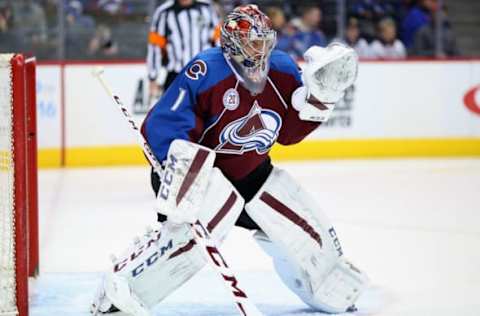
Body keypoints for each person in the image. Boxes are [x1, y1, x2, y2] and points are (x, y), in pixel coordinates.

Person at [91, 5, 372, 315]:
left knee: (299, 224)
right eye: (253, 41)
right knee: (189, 241)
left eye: (265, 40)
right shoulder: (206, 71)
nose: (261, 49)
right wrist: (184, 169)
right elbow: (162, 126)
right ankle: (121, 289)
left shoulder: (281, 69)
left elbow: (288, 133)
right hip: (197, 175)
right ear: (233, 43)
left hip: (251, 174)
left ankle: (327, 284)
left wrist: (320, 100)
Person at [147, 0, 221, 101]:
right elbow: (155, 46)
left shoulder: (207, 7)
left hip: (205, 74)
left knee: (208, 113)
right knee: (171, 114)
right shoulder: (164, 12)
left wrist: (220, 68)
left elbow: (218, 40)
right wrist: (153, 77)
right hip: (177, 75)